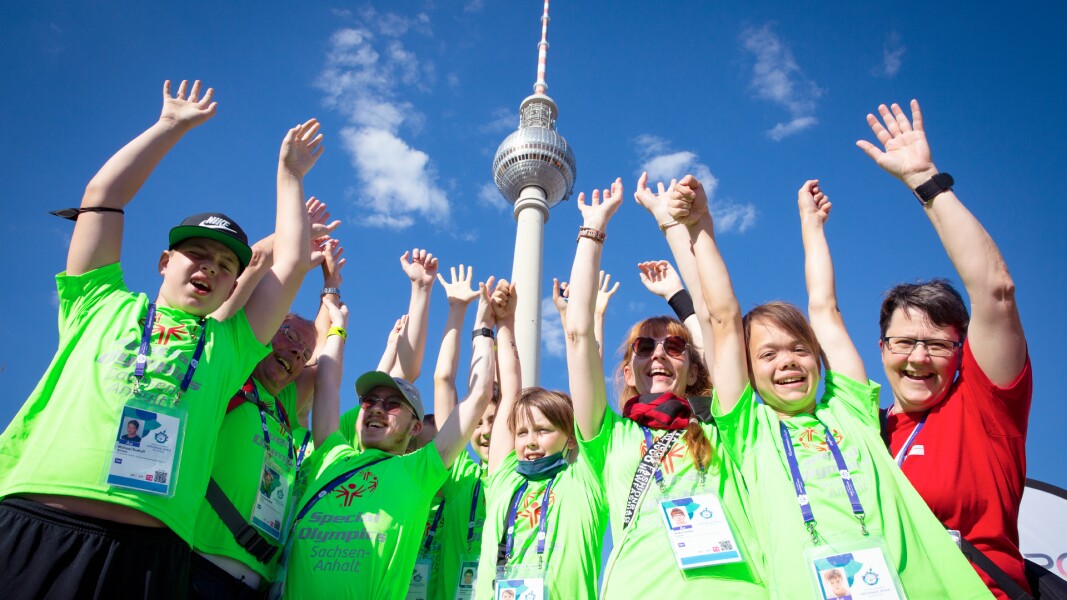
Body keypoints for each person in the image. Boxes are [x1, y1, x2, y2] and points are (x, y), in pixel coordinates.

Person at [0, 80, 321, 598]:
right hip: (41, 521)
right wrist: (168, 126)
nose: (210, 268)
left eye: (225, 265)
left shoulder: (227, 347)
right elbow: (102, 199)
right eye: (197, 254)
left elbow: (288, 265)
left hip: (150, 555)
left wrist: (290, 177)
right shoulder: (98, 302)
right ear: (164, 262)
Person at [676, 175, 988, 598]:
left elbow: (824, 307)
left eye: (799, 350)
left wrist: (812, 224)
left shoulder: (850, 410)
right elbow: (723, 319)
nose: (787, 360)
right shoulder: (747, 429)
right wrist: (701, 227)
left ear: (819, 360)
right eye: (767, 355)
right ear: (748, 374)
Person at [858, 100, 1033, 599]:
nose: (917, 357)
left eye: (937, 344)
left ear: (962, 352)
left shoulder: (985, 406)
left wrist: (924, 180)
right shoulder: (867, 425)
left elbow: (995, 290)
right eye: (904, 342)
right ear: (881, 347)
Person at [563, 177, 765, 598]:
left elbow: (718, 320)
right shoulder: (609, 437)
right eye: (644, 346)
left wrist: (675, 224)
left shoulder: (726, 425)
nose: (657, 354)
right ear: (627, 368)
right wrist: (593, 229)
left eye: (674, 346)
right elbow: (578, 333)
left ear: (694, 370)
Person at [279, 283, 497, 598]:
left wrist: (484, 329)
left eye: (392, 404)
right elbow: (327, 380)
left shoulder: (419, 472)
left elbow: (478, 397)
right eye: (370, 401)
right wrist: (338, 329)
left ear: (414, 427)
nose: (377, 408)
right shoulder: (331, 455)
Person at [189, 229, 344, 598]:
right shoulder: (230, 376)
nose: (295, 354)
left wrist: (331, 284)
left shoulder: (282, 405)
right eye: (288, 337)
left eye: (300, 354)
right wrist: (289, 247)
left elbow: (320, 350)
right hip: (196, 564)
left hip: (255, 582)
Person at [474, 280, 608, 600]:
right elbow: (510, 389)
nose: (530, 442)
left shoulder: (587, 478)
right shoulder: (504, 476)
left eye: (544, 431)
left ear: (572, 439)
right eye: (522, 433)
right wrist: (505, 322)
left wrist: (571, 322)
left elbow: (589, 383)